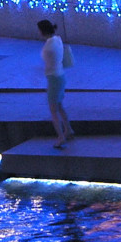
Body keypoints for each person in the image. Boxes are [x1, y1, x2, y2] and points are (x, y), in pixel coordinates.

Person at [38, 18, 74, 147]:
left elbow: (47, 62)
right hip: (61, 76)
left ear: (42, 31)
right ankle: (68, 129)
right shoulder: (58, 39)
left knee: (53, 110)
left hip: (53, 79)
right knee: (59, 106)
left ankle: (60, 136)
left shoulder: (48, 47)